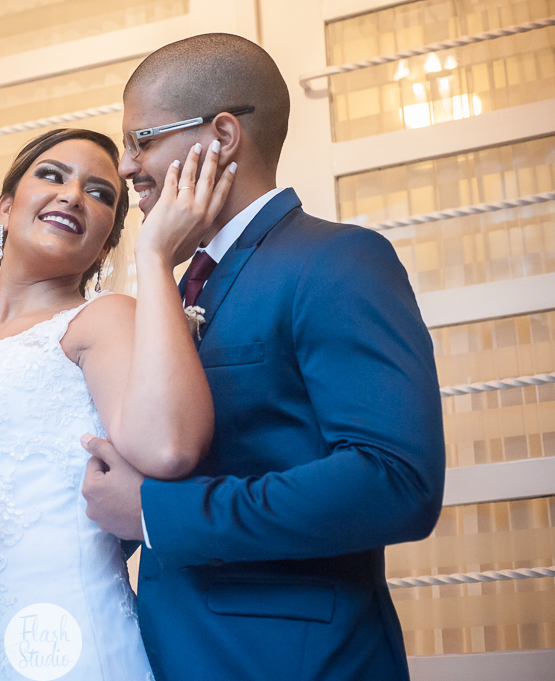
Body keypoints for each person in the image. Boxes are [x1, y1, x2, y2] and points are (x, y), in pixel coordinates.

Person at [81, 34, 446, 681]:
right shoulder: (185, 281)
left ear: (221, 135)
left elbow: (395, 480)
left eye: (142, 140)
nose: (128, 166)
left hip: (293, 661)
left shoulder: (336, 261)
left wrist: (154, 513)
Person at [0, 127, 235, 680]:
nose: (73, 194)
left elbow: (168, 448)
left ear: (105, 242)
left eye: (100, 193)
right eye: (52, 176)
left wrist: (155, 255)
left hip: (57, 642)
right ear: (5, 207)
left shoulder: (100, 319)